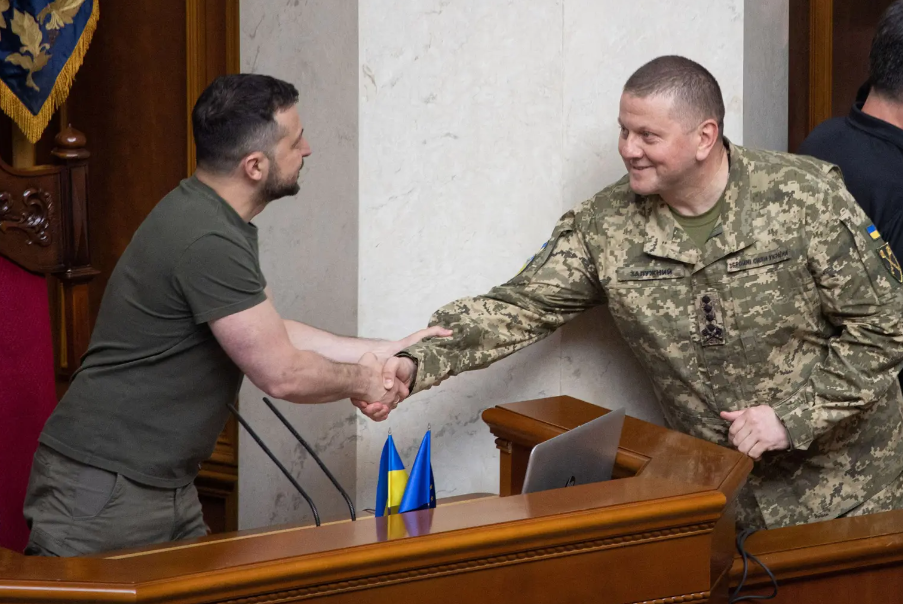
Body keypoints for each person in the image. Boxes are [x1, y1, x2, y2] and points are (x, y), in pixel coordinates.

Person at [381, 56, 903, 531]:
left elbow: (886, 326)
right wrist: (414, 362)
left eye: (648, 136)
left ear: (705, 137)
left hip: (856, 498)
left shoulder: (806, 196)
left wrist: (793, 417)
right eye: (623, 131)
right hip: (728, 503)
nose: (629, 149)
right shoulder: (604, 227)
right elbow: (519, 307)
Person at [23, 74, 448, 557]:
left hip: (164, 486)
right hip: (105, 490)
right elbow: (281, 371)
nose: (306, 149)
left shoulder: (213, 218)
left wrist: (381, 349)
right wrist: (365, 381)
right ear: (254, 165)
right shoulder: (207, 237)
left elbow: (268, 331)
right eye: (295, 140)